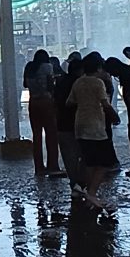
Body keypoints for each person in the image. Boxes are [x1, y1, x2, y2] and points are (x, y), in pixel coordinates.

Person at [69, 53, 117, 209]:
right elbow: (105, 103)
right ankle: (91, 193)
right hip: (95, 127)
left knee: (89, 161)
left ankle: (85, 191)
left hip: (80, 125)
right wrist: (114, 116)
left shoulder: (78, 82)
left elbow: (69, 102)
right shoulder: (98, 83)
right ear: (98, 67)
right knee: (104, 163)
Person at [24, 49, 62, 176]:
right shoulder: (47, 67)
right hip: (46, 102)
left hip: (33, 102)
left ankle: (39, 167)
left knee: (37, 136)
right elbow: (50, 85)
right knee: (51, 135)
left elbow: (25, 84)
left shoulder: (29, 67)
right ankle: (53, 166)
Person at [54, 59, 85, 190]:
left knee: (68, 155)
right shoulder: (80, 84)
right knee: (82, 154)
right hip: (79, 123)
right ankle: (82, 182)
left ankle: (74, 182)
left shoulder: (61, 82)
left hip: (62, 123)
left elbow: (55, 101)